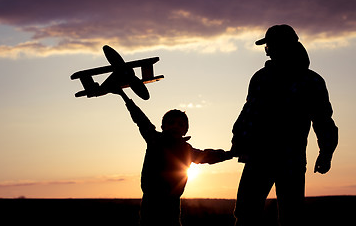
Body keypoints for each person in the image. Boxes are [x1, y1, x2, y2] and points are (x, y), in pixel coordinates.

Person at [230, 24, 338, 226]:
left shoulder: (310, 81)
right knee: (246, 212)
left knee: (290, 215)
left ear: (280, 46)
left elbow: (323, 120)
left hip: (290, 158)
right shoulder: (261, 77)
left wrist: (326, 152)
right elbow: (249, 111)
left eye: (269, 45)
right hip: (259, 155)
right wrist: (238, 138)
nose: (267, 50)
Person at [116, 88, 233, 226]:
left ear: (185, 130)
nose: (175, 127)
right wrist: (123, 95)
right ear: (163, 126)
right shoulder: (154, 139)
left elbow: (208, 155)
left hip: (172, 203)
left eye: (180, 124)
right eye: (171, 123)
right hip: (151, 201)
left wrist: (229, 154)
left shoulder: (187, 150)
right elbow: (140, 119)